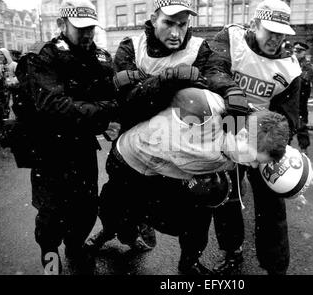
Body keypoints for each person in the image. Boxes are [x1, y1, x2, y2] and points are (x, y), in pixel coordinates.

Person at [85, 0, 217, 274]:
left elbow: (207, 92)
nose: (175, 32)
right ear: (154, 18)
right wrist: (172, 79)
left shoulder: (199, 49)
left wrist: (148, 83)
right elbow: (128, 102)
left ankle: (189, 262)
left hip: (178, 152)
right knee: (113, 203)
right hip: (131, 149)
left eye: (182, 24)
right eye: (169, 23)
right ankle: (111, 231)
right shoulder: (130, 46)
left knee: (197, 210)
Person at [106, 85, 289, 275]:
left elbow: (261, 125)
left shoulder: (240, 130)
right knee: (123, 211)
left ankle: (189, 263)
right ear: (243, 136)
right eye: (254, 160)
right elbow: (184, 94)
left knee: (196, 217)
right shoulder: (203, 113)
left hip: (163, 167)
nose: (251, 166)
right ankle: (115, 228)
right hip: (129, 161)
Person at [16, 0, 117, 274]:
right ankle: (51, 262)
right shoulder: (43, 57)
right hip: (49, 150)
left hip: (82, 147)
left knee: (86, 209)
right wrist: (104, 112)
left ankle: (75, 248)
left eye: (91, 29)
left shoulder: (100, 57)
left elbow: (114, 93)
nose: (87, 35)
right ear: (61, 25)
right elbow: (54, 106)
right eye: (80, 28)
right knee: (51, 217)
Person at [204, 0, 302, 275]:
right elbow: (212, 71)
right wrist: (232, 93)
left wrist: (276, 143)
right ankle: (232, 252)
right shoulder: (230, 39)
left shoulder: (290, 69)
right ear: (254, 24)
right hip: (229, 127)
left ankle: (275, 266)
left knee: (272, 204)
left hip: (261, 137)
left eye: (282, 33)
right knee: (227, 197)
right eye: (270, 31)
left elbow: (289, 118)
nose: (276, 39)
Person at [293, 41, 313, 155]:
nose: (296, 53)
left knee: (301, 127)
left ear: (304, 52)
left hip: (300, 101)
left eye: (299, 51)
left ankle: (304, 150)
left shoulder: (308, 66)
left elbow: (302, 80)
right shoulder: (289, 62)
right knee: (286, 125)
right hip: (289, 101)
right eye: (295, 50)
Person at [0, 48, 18, 119]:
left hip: (14, 88)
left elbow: (19, 76)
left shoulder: (14, 64)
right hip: (5, 89)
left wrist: (13, 82)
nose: (0, 56)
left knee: (13, 103)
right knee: (6, 103)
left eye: (2, 54)